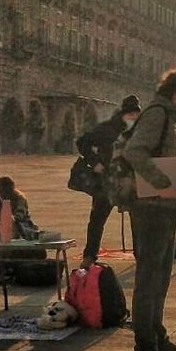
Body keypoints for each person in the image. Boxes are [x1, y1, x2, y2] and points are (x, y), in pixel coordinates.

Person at [122, 64, 176, 351]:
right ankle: (145, 349)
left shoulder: (169, 115)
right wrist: (163, 184)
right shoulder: (157, 114)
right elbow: (135, 152)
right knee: (149, 279)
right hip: (151, 208)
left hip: (163, 208)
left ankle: (157, 337)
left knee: (161, 276)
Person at [75, 94, 142, 264]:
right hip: (107, 181)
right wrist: (95, 162)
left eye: (136, 115)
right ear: (123, 114)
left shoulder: (139, 132)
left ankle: (140, 254)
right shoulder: (107, 129)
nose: (133, 118)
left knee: (138, 219)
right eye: (130, 115)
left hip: (130, 181)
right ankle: (90, 255)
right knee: (97, 219)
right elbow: (83, 142)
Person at [0, 175, 38, 240]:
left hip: (23, 224)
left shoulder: (19, 198)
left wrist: (9, 219)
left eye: (0, 190)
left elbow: (20, 215)